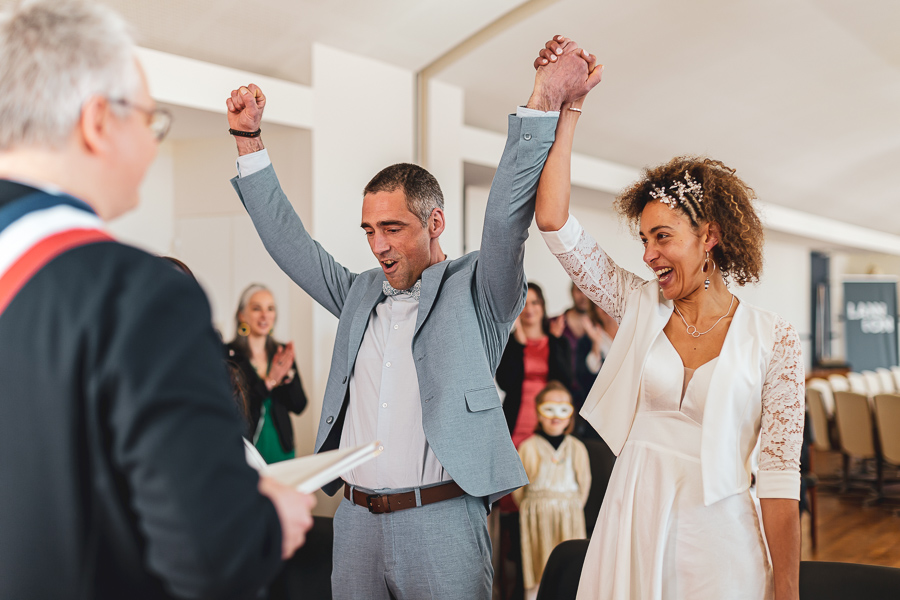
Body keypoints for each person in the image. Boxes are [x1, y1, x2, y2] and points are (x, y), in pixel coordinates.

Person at [224, 37, 599, 599]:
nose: (377, 245)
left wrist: (542, 102)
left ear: (435, 223)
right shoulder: (357, 293)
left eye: (392, 228)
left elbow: (504, 221)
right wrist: (248, 140)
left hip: (442, 520)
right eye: (369, 230)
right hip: (353, 522)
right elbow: (291, 245)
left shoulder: (480, 291)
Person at [0, 2, 314, 598]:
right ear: (97, 123)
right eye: (150, 122)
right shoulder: (138, 297)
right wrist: (271, 519)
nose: (150, 146)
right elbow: (209, 554)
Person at [533, 36, 803, 600]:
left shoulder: (773, 338)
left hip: (721, 541)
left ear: (709, 237)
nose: (649, 254)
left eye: (663, 237)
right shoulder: (638, 304)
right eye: (644, 239)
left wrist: (787, 589)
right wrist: (569, 109)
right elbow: (554, 222)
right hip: (633, 520)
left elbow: (779, 479)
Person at [512, 381, 591, 600]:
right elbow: (519, 490)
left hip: (570, 516)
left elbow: (584, 484)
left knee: (570, 570)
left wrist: (571, 506)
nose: (555, 416)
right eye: (548, 409)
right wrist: (533, 508)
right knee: (539, 568)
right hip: (537, 517)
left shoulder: (577, 448)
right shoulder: (528, 447)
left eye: (562, 409)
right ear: (538, 412)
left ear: (570, 414)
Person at [227, 283, 308, 464]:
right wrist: (269, 381)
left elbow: (299, 405)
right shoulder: (228, 355)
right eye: (256, 308)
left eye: (270, 309)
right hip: (246, 455)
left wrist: (287, 377)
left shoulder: (281, 353)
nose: (265, 315)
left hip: (282, 452)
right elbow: (233, 410)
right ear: (242, 315)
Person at [497, 282, 573, 448]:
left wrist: (554, 342)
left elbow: (565, 381)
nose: (529, 308)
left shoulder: (558, 342)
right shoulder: (508, 342)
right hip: (517, 416)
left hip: (549, 414)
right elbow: (505, 383)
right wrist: (519, 345)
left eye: (534, 302)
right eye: (523, 303)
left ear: (542, 305)